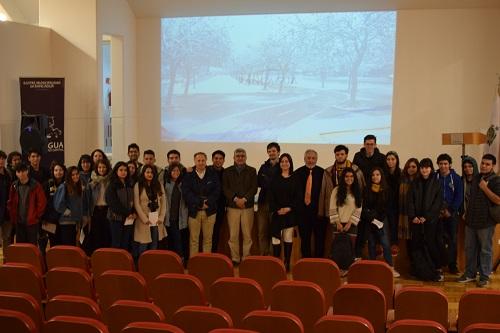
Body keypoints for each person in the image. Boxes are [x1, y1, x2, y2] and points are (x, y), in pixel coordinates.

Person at [458, 154, 500, 287]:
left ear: (493, 166)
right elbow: (471, 198)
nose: (484, 166)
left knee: (485, 250)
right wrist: (466, 213)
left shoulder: (496, 180)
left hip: (486, 222)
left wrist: (485, 188)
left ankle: (484, 276)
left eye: (487, 164)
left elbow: (498, 200)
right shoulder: (476, 177)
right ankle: (470, 273)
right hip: (471, 221)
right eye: (482, 163)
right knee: (470, 248)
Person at [407, 158, 443, 281]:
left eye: (427, 167)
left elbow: (437, 204)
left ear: (431, 169)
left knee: (431, 244)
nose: (424, 170)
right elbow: (410, 201)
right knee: (416, 245)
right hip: (416, 221)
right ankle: (419, 270)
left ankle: (436, 269)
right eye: (422, 167)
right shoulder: (414, 183)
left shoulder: (437, 183)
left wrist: (426, 217)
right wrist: (413, 217)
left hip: (430, 221)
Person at [363, 167, 400, 277]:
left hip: (382, 220)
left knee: (385, 243)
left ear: (381, 176)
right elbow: (364, 207)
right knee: (372, 243)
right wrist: (371, 218)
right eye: (373, 175)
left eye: (377, 174)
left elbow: (387, 207)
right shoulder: (366, 189)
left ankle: (390, 267)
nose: (375, 177)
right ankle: (373, 267)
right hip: (370, 220)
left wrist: (378, 218)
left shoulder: (386, 189)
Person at [222, 148, 257, 265]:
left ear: (246, 157)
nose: (240, 158)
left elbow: (254, 188)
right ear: (234, 158)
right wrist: (236, 199)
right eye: (238, 156)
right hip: (232, 207)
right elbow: (225, 188)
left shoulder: (252, 171)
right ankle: (235, 258)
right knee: (233, 235)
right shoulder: (227, 171)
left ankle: (246, 258)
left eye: (242, 156)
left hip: (247, 207)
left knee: (247, 235)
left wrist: (244, 199)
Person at [182, 152, 220, 257]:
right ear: (194, 161)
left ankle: (205, 262)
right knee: (194, 240)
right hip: (194, 212)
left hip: (210, 211)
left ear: (206, 161)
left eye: (203, 160)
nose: (201, 162)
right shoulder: (189, 174)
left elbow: (217, 191)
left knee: (208, 239)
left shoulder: (213, 173)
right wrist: (199, 203)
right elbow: (186, 192)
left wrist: (207, 203)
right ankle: (194, 262)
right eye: (198, 160)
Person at [329, 167, 362, 275]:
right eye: (347, 176)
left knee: (349, 250)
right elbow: (332, 207)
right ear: (343, 178)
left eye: (351, 176)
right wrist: (338, 223)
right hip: (338, 224)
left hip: (351, 225)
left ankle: (348, 271)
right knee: (338, 249)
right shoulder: (336, 190)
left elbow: (358, 208)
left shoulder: (357, 191)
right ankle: (337, 270)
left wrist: (349, 223)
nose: (349, 178)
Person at [269, 153, 299, 271]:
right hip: (277, 213)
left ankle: (286, 263)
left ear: (290, 163)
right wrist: (278, 209)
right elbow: (271, 196)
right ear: (279, 163)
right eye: (282, 161)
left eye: (287, 161)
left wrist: (289, 208)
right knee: (275, 238)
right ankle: (276, 263)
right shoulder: (275, 179)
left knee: (287, 237)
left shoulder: (295, 178)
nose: (284, 163)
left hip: (290, 213)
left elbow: (298, 196)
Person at [435, 153, 463, 274]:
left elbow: (459, 196)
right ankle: (439, 264)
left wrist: (450, 211)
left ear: (450, 165)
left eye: (445, 163)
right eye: (441, 163)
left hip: (451, 213)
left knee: (452, 240)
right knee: (438, 239)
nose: (443, 166)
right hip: (437, 213)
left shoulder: (456, 178)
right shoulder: (434, 176)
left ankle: (452, 265)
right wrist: (438, 210)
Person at [295, 149, 326, 258]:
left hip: (319, 213)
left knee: (319, 239)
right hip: (303, 213)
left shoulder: (323, 173)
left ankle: (319, 261)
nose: (310, 160)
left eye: (313, 158)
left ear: (316, 159)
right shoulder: (297, 173)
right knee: (305, 239)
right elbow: (295, 194)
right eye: (308, 158)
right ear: (304, 159)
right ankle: (306, 261)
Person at [133, 164, 167, 261]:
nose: (150, 174)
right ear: (143, 173)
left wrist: (161, 217)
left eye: (152, 172)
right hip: (143, 219)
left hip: (156, 218)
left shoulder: (158, 185)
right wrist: (144, 219)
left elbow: (164, 202)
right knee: (143, 243)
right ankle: (141, 264)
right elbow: (137, 204)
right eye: (147, 172)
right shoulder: (138, 185)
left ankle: (151, 263)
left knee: (155, 243)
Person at [7, 163, 46, 245]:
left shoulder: (36, 185)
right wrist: (13, 217)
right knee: (21, 247)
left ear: (27, 171)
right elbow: (10, 202)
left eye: (23, 171)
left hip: (32, 222)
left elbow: (42, 203)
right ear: (16, 173)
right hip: (19, 222)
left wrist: (36, 216)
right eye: (19, 172)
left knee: (32, 247)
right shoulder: (14, 185)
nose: (21, 173)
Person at [54, 166, 89, 246]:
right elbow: (58, 204)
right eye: (73, 175)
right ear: (69, 176)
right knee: (68, 246)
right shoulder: (64, 187)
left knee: (75, 245)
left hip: (76, 221)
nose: (75, 176)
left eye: (77, 174)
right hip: (67, 222)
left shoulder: (78, 187)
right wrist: (68, 212)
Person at [256, 142, 281, 255]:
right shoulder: (263, 166)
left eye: (274, 151)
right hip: (263, 203)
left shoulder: (283, 165)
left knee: (274, 231)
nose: (271, 153)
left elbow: (281, 184)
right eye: (269, 151)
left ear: (278, 152)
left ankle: (272, 256)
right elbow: (259, 182)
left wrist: (269, 182)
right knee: (262, 231)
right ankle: (263, 255)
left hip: (276, 205)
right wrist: (271, 183)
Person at [105, 161, 135, 251]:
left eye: (125, 170)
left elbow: (132, 201)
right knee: (116, 243)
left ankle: (124, 263)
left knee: (125, 242)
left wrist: (133, 212)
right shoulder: (111, 186)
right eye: (121, 170)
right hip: (116, 218)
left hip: (128, 219)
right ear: (116, 171)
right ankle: (115, 263)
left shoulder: (129, 184)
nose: (123, 172)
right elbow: (113, 203)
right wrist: (127, 213)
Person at [164, 163, 189, 262]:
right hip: (169, 216)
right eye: (173, 170)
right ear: (170, 171)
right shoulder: (166, 183)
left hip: (181, 216)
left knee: (179, 239)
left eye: (178, 170)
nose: (176, 172)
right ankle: (174, 259)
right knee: (171, 240)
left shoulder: (183, 183)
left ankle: (180, 259)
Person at [39, 161, 66, 254]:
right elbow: (42, 202)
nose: (58, 172)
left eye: (61, 170)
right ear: (53, 172)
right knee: (53, 242)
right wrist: (43, 218)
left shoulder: (67, 184)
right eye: (56, 170)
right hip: (49, 219)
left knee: (64, 242)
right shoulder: (47, 184)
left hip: (64, 219)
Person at [86, 159, 112, 253]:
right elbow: (88, 199)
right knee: (96, 235)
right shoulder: (92, 182)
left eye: (104, 167)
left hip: (107, 210)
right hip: (96, 211)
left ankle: (106, 254)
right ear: (96, 168)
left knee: (106, 234)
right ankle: (97, 254)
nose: (102, 169)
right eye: (99, 167)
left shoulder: (111, 180)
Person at [398, 158, 419, 257]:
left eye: (414, 167)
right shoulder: (402, 179)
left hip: (417, 215)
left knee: (417, 241)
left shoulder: (420, 181)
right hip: (405, 215)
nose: (411, 169)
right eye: (409, 166)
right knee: (409, 242)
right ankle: (412, 264)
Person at [209, 150, 225, 252]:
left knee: (216, 231)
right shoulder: (206, 170)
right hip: (208, 205)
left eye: (220, 159)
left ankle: (214, 252)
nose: (218, 160)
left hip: (220, 206)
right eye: (216, 158)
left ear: (223, 160)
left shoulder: (226, 172)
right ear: (212, 159)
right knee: (206, 232)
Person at [385, 151, 402, 254]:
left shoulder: (401, 173)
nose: (390, 161)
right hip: (385, 204)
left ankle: (394, 244)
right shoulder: (382, 173)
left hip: (397, 205)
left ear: (397, 160)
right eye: (388, 159)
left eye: (393, 159)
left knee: (394, 225)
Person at [0, 151, 12, 248]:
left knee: (7, 237)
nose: (1, 161)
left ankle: (6, 261)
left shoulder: (8, 173)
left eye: (3, 159)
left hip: (7, 212)